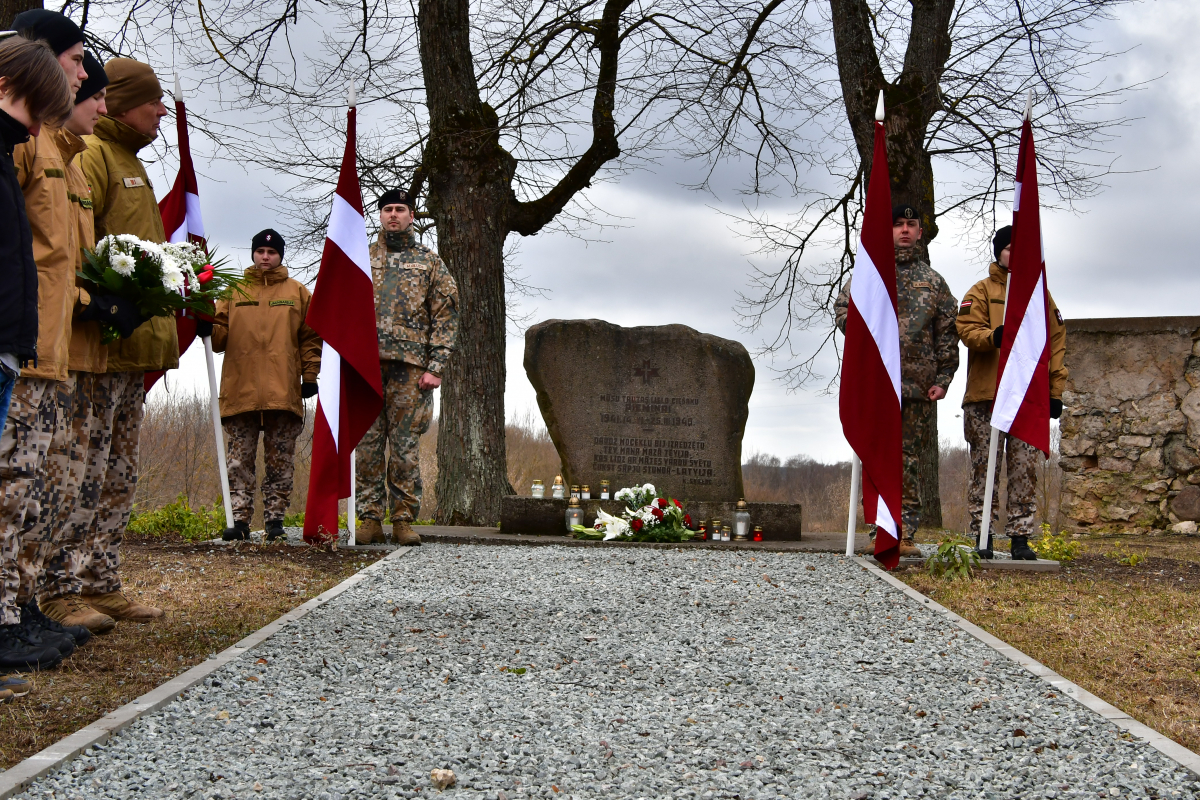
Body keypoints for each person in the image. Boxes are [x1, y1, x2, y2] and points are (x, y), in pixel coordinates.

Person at [76, 57, 172, 624]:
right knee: (86, 470)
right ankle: (63, 589)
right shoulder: (93, 157)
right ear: (118, 102)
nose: (161, 110)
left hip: (130, 350)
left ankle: (101, 580)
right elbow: (85, 252)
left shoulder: (128, 160)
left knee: (119, 472)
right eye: (151, 101)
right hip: (102, 346)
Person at [34, 52, 123, 635]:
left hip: (74, 343)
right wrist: (94, 302)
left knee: (72, 478)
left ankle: (56, 592)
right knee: (41, 480)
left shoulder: (73, 160)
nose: (103, 106)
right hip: (43, 343)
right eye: (96, 95)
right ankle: (33, 601)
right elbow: (44, 259)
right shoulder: (37, 150)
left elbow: (78, 257)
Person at [0, 31, 75, 674]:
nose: (31, 133)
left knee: (25, 487)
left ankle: (16, 607)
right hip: (16, 351)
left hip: (24, 345)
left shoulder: (21, 146)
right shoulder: (16, 150)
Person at [835, 204, 959, 557]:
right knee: (875, 455)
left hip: (916, 388)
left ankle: (903, 532)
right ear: (888, 231)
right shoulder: (870, 275)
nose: (904, 230)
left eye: (911, 224)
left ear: (921, 232)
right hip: (877, 385)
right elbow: (844, 311)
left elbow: (947, 333)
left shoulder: (933, 281)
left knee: (907, 461)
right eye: (898, 225)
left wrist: (944, 378)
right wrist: (864, 335)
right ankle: (878, 529)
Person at [202, 230, 321, 542]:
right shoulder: (233, 291)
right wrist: (204, 325)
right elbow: (218, 340)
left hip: (283, 391)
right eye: (260, 251)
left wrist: (309, 377)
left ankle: (275, 521)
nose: (265, 256)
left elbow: (311, 338)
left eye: (271, 251)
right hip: (240, 390)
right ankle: (239, 521)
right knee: (239, 461)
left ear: (280, 255)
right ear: (253, 254)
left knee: (280, 460)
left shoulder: (298, 292)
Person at [956, 226, 1067, 560]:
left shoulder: (1041, 298)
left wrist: (1055, 391)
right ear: (998, 252)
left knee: (1024, 469)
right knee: (984, 467)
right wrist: (994, 336)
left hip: (1026, 399)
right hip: (986, 397)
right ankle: (983, 535)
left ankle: (1020, 537)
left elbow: (1056, 343)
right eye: (1008, 249)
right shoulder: (980, 291)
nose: (1014, 255)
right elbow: (966, 329)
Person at [356, 189, 458, 546]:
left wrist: (436, 366)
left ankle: (402, 520)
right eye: (387, 210)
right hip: (365, 366)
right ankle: (369, 518)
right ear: (380, 216)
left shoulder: (429, 261)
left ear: (411, 216)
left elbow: (446, 315)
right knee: (367, 446)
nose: (393, 215)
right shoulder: (361, 257)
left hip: (411, 370)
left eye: (400, 209)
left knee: (404, 448)